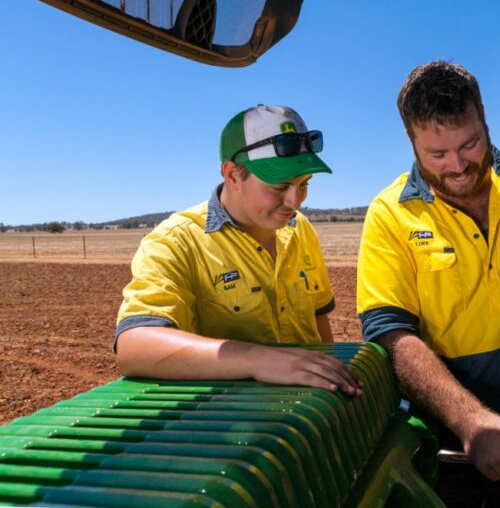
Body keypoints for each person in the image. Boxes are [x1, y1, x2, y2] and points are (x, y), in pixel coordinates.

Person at [356, 61, 500, 506]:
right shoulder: (389, 215)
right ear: (411, 141)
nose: (458, 166)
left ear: (484, 117)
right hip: (442, 445)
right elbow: (391, 333)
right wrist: (471, 421)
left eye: (470, 144)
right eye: (437, 155)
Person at [115, 104, 362, 397]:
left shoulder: (300, 229)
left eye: (304, 184)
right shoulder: (176, 241)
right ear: (232, 174)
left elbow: (319, 319)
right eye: (280, 186)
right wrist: (256, 359)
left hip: (305, 414)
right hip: (229, 420)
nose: (295, 201)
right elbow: (134, 345)